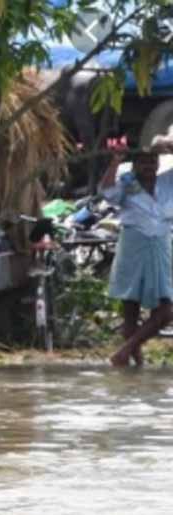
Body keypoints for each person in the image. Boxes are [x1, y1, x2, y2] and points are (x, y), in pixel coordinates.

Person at [100, 139, 173, 366]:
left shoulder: (167, 182)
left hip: (160, 245)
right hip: (133, 246)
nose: (148, 166)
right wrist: (115, 161)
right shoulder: (127, 183)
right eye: (143, 162)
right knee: (130, 306)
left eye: (152, 161)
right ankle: (135, 361)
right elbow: (107, 193)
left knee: (166, 309)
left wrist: (169, 147)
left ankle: (126, 350)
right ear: (134, 165)